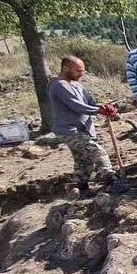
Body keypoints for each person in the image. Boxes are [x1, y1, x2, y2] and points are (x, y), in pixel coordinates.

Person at [48, 55, 118, 198]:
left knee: (82, 159)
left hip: (80, 128)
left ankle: (83, 188)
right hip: (68, 130)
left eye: (82, 70)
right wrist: (99, 111)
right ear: (65, 68)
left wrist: (104, 107)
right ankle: (113, 182)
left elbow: (90, 103)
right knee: (97, 152)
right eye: (78, 71)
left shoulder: (77, 84)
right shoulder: (58, 85)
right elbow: (77, 106)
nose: (82, 73)